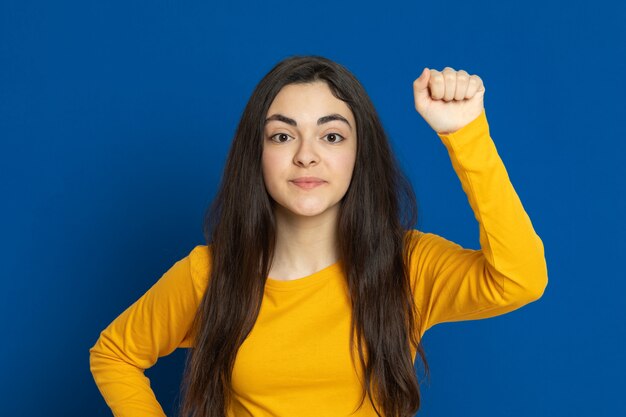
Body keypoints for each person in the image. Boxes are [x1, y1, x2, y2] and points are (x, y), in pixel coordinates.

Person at [89, 55, 548, 417]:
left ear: (357, 155)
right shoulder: (212, 273)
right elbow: (115, 354)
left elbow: (519, 278)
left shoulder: (407, 266)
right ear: (258, 154)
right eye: (282, 137)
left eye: (331, 137)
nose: (306, 156)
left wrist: (466, 134)